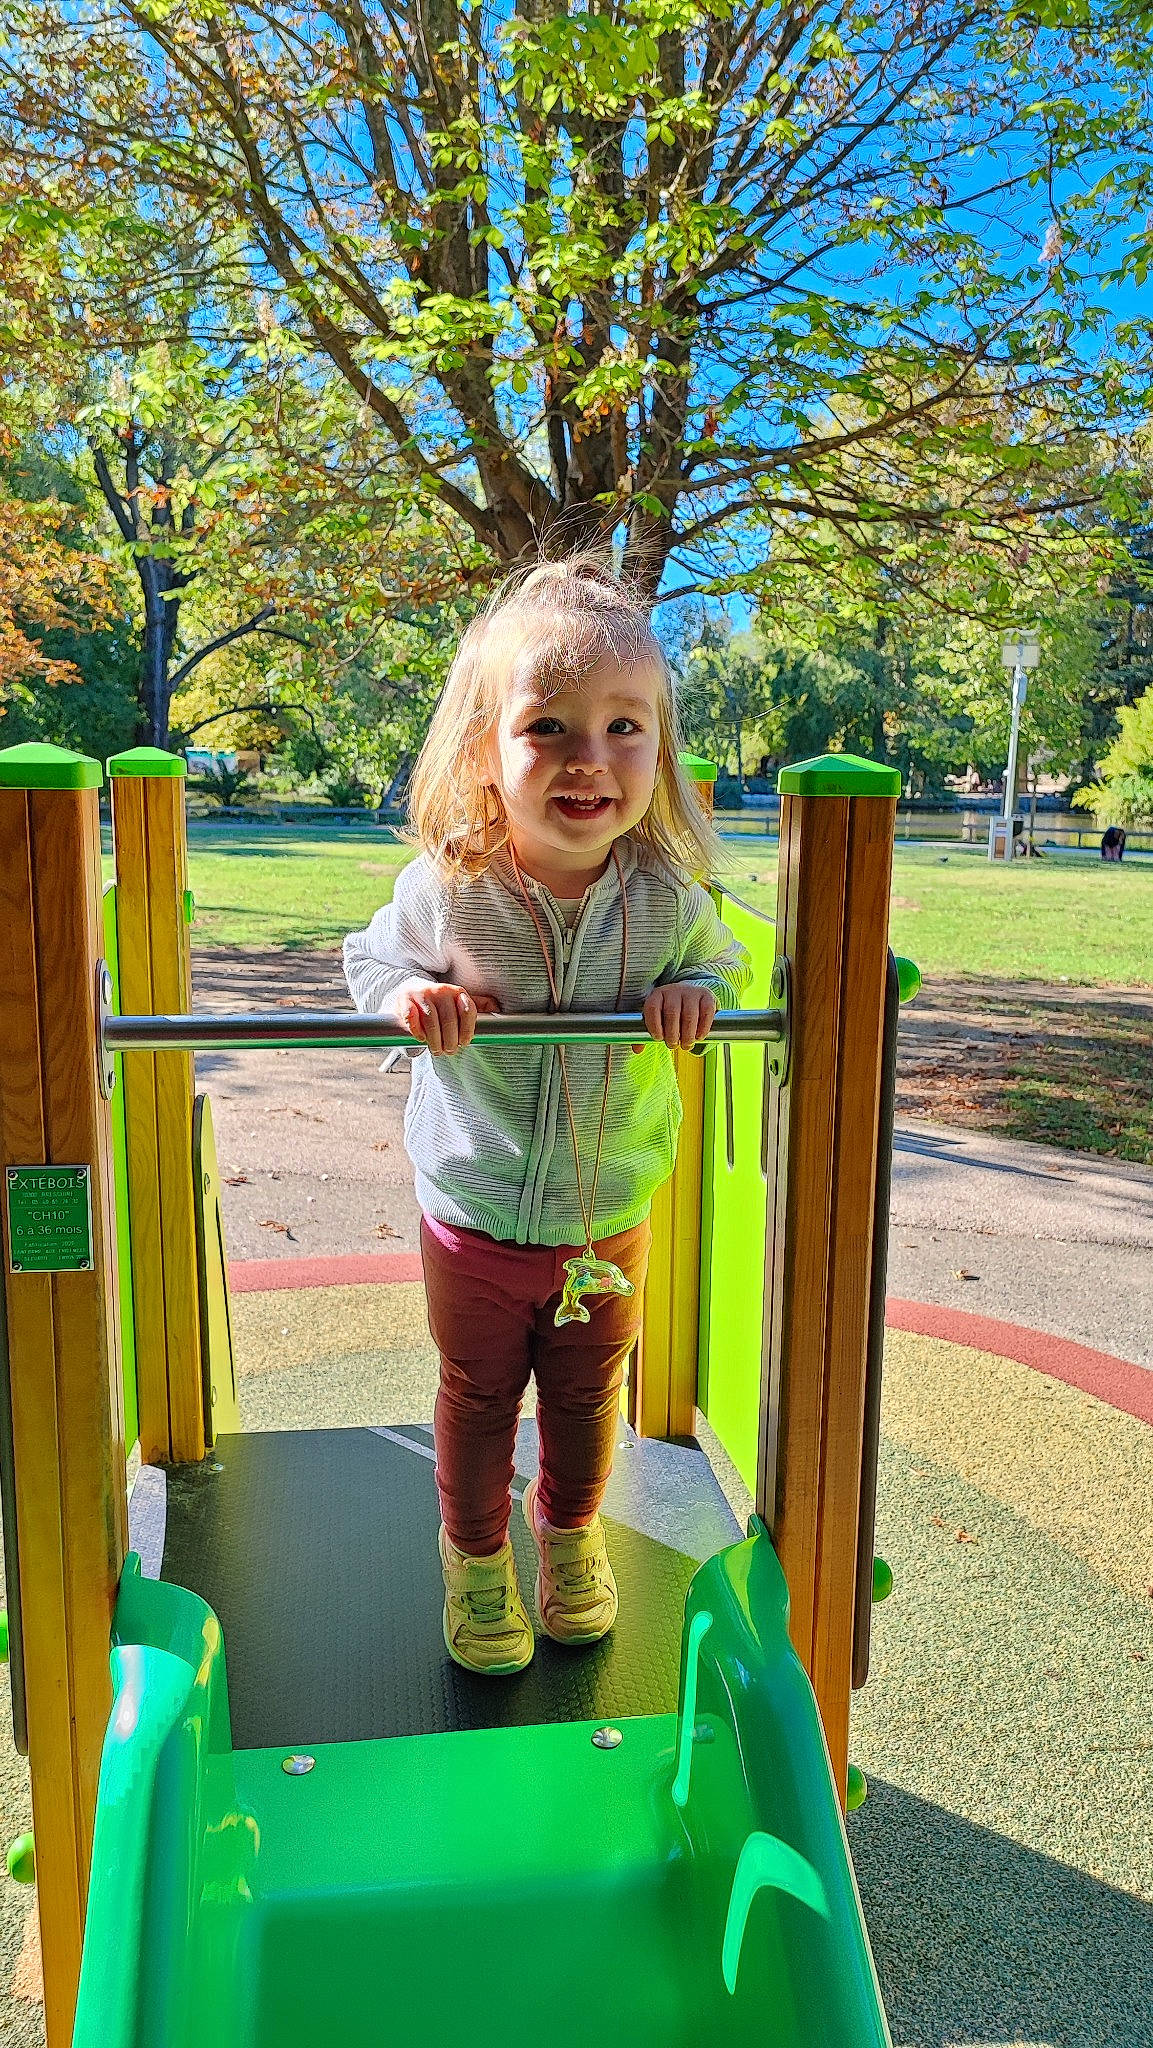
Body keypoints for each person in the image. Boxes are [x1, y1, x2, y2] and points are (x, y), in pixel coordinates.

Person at [344, 559, 751, 1677]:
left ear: (656, 751)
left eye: (624, 726)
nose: (589, 757)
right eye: (549, 726)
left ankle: (567, 1536)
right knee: (478, 1397)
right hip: (473, 1211)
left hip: (604, 1217)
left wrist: (695, 996)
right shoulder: (451, 885)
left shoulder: (669, 897)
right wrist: (403, 996)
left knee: (585, 1401)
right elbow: (367, 952)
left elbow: (721, 967)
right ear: (487, 750)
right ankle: (475, 1556)